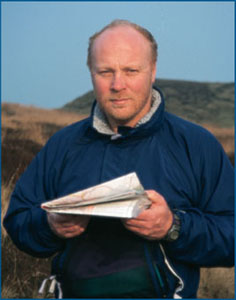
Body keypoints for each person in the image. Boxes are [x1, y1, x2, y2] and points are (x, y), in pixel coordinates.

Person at [4, 19, 234, 299]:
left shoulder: (196, 144)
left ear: (153, 71)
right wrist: (49, 226)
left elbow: (231, 235)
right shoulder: (62, 146)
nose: (117, 84)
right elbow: (17, 221)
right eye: (105, 71)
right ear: (90, 73)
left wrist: (173, 227)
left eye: (131, 70)